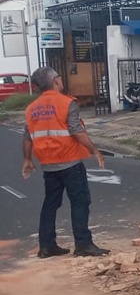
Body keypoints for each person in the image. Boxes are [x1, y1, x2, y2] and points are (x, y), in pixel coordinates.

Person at [21, 67, 109, 257]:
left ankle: (46, 246)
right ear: (57, 81)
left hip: (48, 165)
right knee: (80, 201)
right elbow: (76, 130)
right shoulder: (66, 102)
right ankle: (83, 244)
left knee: (50, 203)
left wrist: (27, 159)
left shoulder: (32, 108)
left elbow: (27, 136)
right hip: (70, 162)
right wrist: (95, 150)